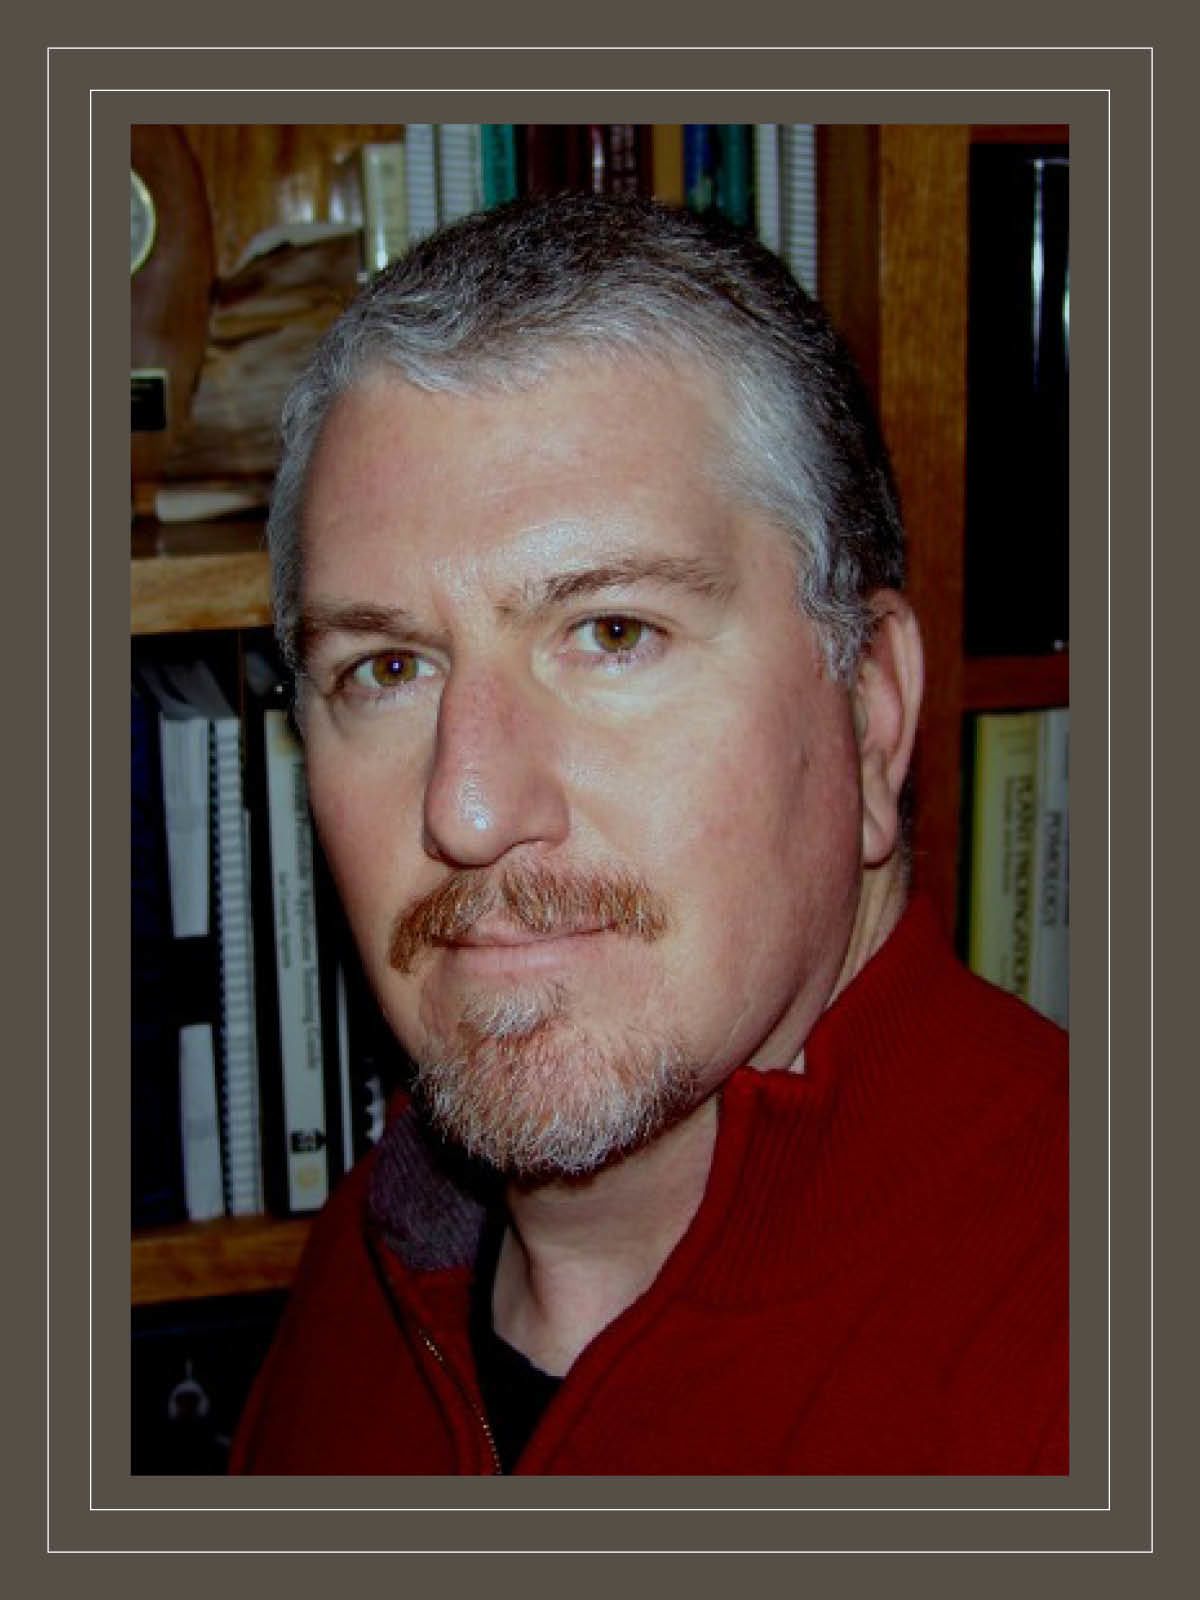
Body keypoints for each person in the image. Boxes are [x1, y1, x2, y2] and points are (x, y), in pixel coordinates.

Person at [230, 193, 1068, 1476]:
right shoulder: (364, 1277)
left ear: (871, 708)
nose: (467, 807)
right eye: (388, 668)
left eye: (611, 633)